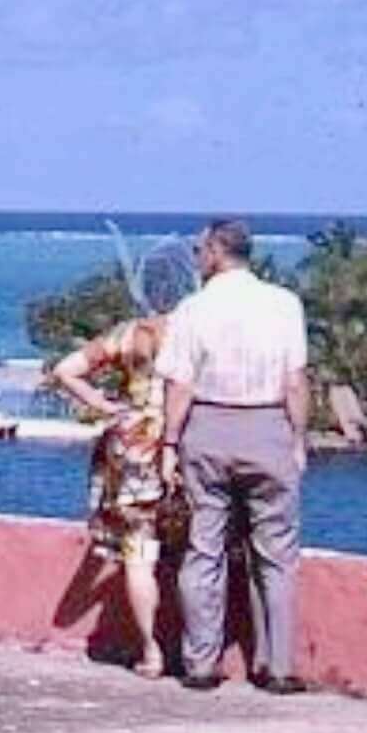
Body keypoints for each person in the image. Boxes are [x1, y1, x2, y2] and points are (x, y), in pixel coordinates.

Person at [156, 218, 310, 693]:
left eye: (201, 249)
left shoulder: (193, 309)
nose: (198, 257)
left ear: (218, 253)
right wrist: (298, 438)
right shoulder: (285, 304)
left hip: (208, 425)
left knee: (204, 547)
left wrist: (168, 442)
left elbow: (179, 384)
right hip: (268, 426)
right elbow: (295, 380)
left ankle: (201, 663)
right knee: (277, 552)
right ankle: (278, 665)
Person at [48, 237, 198, 678]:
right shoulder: (193, 333)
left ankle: (151, 650)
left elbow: (65, 370)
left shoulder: (128, 333)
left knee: (137, 553)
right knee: (199, 550)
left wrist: (107, 405)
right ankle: (196, 650)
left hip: (130, 444)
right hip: (182, 441)